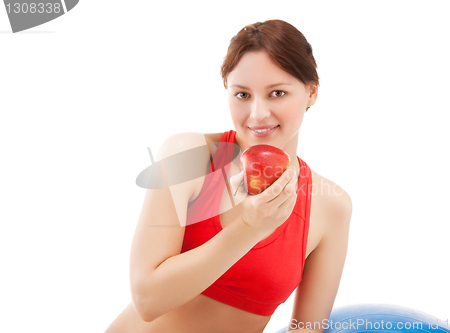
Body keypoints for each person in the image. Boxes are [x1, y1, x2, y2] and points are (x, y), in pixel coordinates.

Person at [104, 19, 352, 333]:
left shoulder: (331, 207)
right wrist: (249, 228)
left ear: (312, 92)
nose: (258, 114)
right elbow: (147, 299)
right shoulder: (190, 157)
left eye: (277, 93)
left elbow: (308, 328)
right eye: (242, 95)